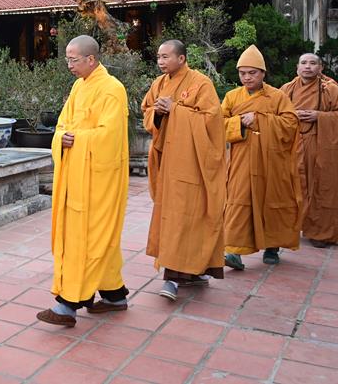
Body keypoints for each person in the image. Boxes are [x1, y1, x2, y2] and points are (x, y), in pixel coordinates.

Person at [37, 36, 130, 327]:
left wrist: (74, 139)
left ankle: (68, 304)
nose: (69, 65)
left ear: (91, 59)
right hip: (77, 175)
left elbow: (109, 137)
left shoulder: (113, 89)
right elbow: (62, 125)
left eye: (73, 59)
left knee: (89, 239)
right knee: (99, 240)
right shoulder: (79, 87)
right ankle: (115, 295)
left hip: (100, 179)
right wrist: (60, 138)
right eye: (66, 59)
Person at [142, 40, 226, 301]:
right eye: (158, 57)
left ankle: (174, 277)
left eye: (166, 57)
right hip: (167, 162)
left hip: (193, 164)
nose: (161, 61)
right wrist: (157, 112)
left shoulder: (200, 83)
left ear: (182, 58)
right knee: (173, 216)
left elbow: (213, 120)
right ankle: (191, 272)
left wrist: (175, 110)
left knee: (188, 217)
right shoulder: (159, 84)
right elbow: (146, 111)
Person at [220, 46, 301, 270]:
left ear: (263, 73)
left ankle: (272, 247)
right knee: (238, 202)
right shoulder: (232, 97)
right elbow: (217, 124)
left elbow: (291, 124)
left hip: (272, 161)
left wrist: (259, 120)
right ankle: (233, 251)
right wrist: (239, 123)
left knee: (272, 201)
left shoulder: (277, 97)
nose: (247, 77)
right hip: (241, 159)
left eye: (252, 73)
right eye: (242, 73)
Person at [281, 53, 338, 248]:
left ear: (320, 68)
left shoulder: (330, 89)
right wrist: (291, 116)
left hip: (320, 145)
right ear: (297, 68)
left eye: (313, 63)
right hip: (293, 145)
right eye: (303, 63)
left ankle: (321, 232)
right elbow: (274, 114)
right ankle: (290, 227)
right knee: (292, 186)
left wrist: (319, 116)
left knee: (322, 185)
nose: (308, 67)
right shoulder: (286, 89)